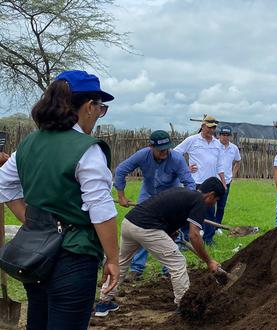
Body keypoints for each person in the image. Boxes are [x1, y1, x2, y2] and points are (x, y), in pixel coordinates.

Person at [0, 70, 119, 329]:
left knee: (39, 321)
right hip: (73, 257)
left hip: (35, 256)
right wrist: (112, 258)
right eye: (101, 108)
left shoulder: (29, 143)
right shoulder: (87, 150)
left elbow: (4, 185)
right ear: (89, 107)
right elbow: (101, 210)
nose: (99, 115)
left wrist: (36, 222)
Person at [95, 178, 225, 316]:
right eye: (216, 200)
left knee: (121, 263)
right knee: (178, 262)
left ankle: (104, 303)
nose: (214, 204)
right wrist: (209, 261)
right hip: (147, 228)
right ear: (210, 195)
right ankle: (184, 305)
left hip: (129, 223)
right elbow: (195, 236)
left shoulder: (184, 193)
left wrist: (170, 231)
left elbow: (165, 211)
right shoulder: (199, 201)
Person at [115, 130, 196, 281]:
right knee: (141, 229)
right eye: (161, 150)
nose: (165, 153)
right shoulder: (142, 155)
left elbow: (189, 183)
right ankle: (136, 269)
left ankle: (169, 269)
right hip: (148, 196)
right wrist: (121, 196)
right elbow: (121, 170)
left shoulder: (177, 159)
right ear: (151, 147)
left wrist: (186, 206)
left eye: (167, 149)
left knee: (170, 233)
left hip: (170, 199)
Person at [174, 115, 227, 245]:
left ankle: (208, 238)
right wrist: (186, 168)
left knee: (210, 212)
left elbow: (220, 165)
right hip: (194, 182)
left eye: (213, 127)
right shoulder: (192, 140)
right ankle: (185, 237)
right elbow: (175, 154)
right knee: (188, 210)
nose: (210, 130)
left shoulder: (217, 144)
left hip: (211, 184)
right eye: (208, 127)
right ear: (202, 126)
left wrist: (223, 183)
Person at [215, 126, 241, 232]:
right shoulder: (214, 145)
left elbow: (238, 161)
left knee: (221, 206)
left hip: (226, 181)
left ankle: (217, 227)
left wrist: (233, 174)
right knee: (209, 205)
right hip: (213, 179)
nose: (225, 137)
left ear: (230, 136)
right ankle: (206, 226)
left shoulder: (234, 148)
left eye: (227, 135)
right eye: (223, 135)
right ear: (219, 135)